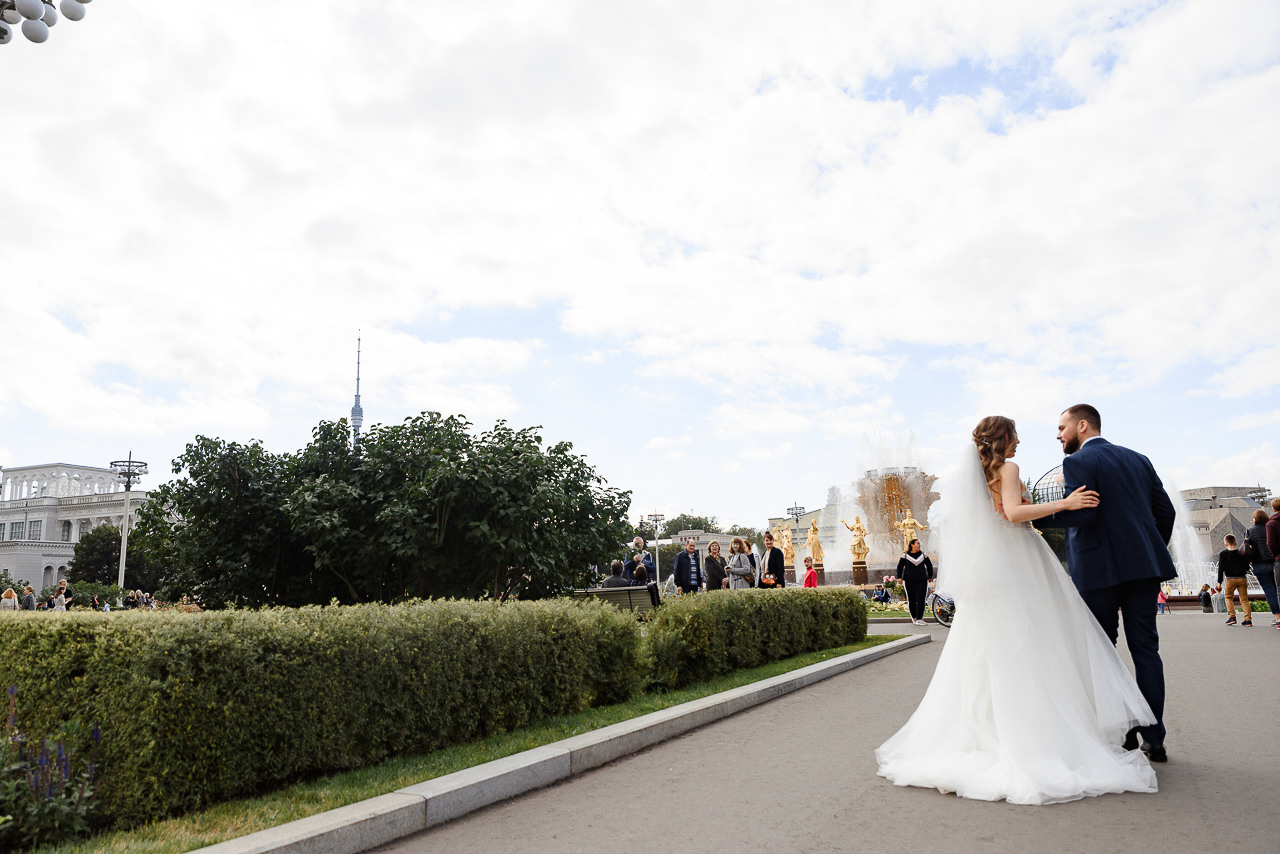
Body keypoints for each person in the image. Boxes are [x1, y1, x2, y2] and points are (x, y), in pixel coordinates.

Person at [877, 414, 1158, 805]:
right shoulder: (1009, 468)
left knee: (989, 650)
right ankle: (1035, 736)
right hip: (1018, 560)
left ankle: (983, 734)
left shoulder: (978, 475)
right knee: (1032, 643)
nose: (1019, 443)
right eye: (1015, 436)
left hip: (996, 565)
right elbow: (1012, 513)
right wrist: (1067, 501)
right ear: (1002, 439)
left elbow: (998, 513)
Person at [1036, 404, 1177, 762]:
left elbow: (1085, 513)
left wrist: (1038, 519)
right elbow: (1167, 513)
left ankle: (1123, 733)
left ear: (1082, 426)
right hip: (1144, 570)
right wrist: (1145, 548)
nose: (1058, 435)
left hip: (1097, 570)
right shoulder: (1139, 459)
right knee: (1146, 651)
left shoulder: (1077, 463)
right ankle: (1154, 737)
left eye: (1062, 427)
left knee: (1103, 650)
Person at [1244, 508, 1278, 627]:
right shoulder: (1271, 527)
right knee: (1277, 589)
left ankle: (1278, 617)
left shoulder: (1250, 531)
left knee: (1269, 590)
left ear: (1255, 519)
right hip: (1274, 562)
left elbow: (1247, 547)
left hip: (1259, 564)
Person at [896, 539, 934, 626]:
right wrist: (899, 577)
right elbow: (900, 567)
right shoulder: (905, 556)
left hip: (922, 580)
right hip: (909, 581)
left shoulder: (923, 555)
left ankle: (920, 618)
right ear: (912, 545)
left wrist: (930, 576)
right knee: (911, 599)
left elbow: (929, 565)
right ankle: (914, 617)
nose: (919, 545)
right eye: (917, 543)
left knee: (921, 599)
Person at [1217, 534, 1252, 627]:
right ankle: (1248, 620)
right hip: (1242, 578)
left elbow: (1220, 569)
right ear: (1236, 543)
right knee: (1244, 599)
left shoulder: (1223, 554)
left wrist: (1219, 582)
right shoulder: (1241, 552)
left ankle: (1232, 617)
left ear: (1225, 544)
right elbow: (1247, 567)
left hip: (1230, 579)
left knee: (1228, 598)